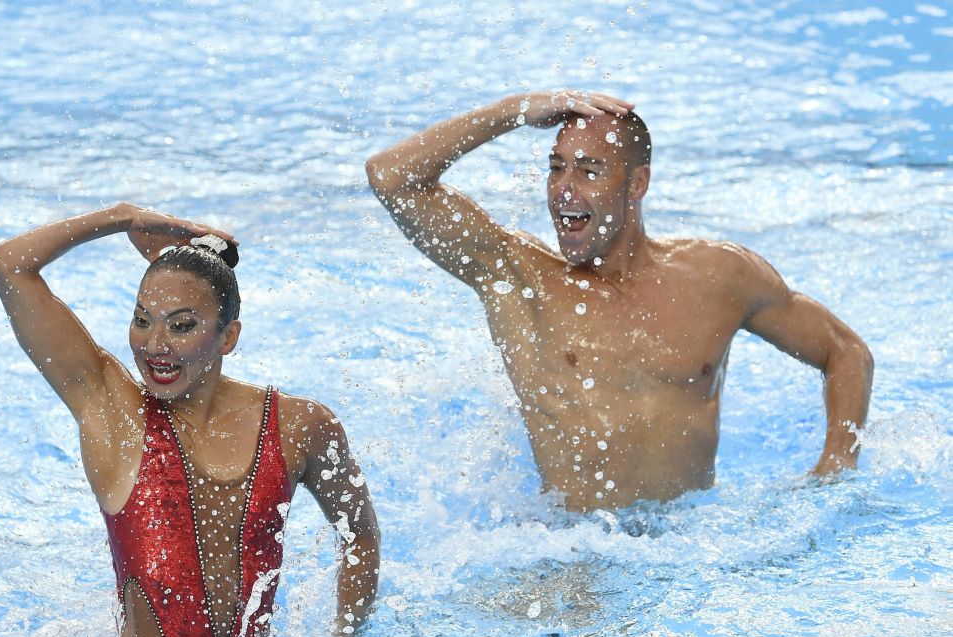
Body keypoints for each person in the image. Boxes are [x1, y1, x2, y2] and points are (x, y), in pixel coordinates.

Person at [366, 91, 873, 511]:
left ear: (637, 183)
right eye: (556, 167)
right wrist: (517, 110)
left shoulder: (719, 277)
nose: (563, 191)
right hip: (575, 555)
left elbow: (845, 352)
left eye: (588, 171)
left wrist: (836, 465)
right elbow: (390, 177)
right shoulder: (518, 278)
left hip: (694, 551)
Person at [0, 204, 380, 637]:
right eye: (142, 319)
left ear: (227, 337)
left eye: (180, 325)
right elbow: (10, 264)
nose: (154, 345)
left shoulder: (301, 426)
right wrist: (122, 216)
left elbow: (359, 535)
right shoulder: (117, 417)